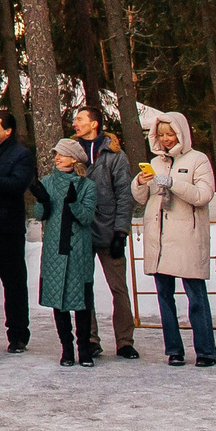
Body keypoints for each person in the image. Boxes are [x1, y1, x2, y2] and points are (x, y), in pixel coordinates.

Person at [136, 113, 216, 366]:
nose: (166, 139)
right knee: (164, 296)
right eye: (161, 135)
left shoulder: (198, 160)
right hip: (158, 237)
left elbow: (204, 195)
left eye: (170, 134)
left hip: (187, 237)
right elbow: (141, 199)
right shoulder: (155, 162)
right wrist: (139, 182)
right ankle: (174, 349)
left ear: (181, 133)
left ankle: (205, 351)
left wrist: (173, 183)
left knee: (196, 296)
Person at [77, 108, 139, 358]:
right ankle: (90, 338)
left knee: (118, 288)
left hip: (109, 229)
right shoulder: (72, 154)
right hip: (81, 231)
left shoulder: (115, 155)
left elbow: (125, 195)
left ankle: (125, 340)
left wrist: (121, 232)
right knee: (83, 287)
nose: (75, 124)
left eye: (80, 119)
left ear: (94, 124)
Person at [34, 138, 100, 366]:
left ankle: (84, 349)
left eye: (61, 154)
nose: (57, 158)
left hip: (78, 251)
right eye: (56, 155)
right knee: (58, 301)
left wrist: (72, 204)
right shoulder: (48, 182)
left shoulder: (87, 185)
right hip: (54, 249)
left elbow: (86, 217)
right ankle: (66, 349)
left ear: (74, 158)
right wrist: (42, 201)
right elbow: (40, 214)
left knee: (81, 301)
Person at [0, 113, 37, 353]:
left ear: (8, 130)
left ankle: (18, 335)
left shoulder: (21, 155)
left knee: (13, 285)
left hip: (8, 230)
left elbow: (17, 185)